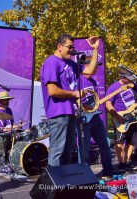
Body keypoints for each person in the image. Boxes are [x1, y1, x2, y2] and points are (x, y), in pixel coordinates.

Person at [40, 33, 100, 166]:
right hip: (59, 112)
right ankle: (53, 184)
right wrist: (75, 94)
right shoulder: (52, 62)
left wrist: (95, 49)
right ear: (59, 46)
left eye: (73, 47)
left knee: (68, 149)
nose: (72, 50)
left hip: (72, 112)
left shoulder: (70, 63)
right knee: (58, 149)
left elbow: (90, 71)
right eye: (69, 47)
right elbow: (52, 90)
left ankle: (64, 181)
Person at [76, 62, 114, 176]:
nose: (96, 68)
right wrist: (84, 106)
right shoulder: (79, 80)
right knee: (84, 146)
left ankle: (108, 171)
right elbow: (75, 99)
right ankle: (84, 174)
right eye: (94, 66)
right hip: (83, 117)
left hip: (95, 116)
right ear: (86, 67)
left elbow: (95, 100)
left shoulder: (92, 82)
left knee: (105, 142)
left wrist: (95, 106)